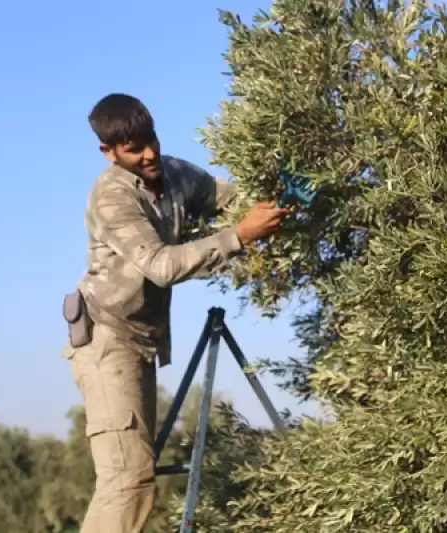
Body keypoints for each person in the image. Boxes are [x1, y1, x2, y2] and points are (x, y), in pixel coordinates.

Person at [61, 92, 289, 533]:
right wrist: (240, 236)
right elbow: (161, 266)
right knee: (126, 481)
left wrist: (274, 196)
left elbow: (227, 198)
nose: (149, 154)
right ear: (108, 152)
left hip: (140, 345)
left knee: (134, 476)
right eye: (133, 148)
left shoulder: (177, 174)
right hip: (107, 344)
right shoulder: (111, 197)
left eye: (152, 140)